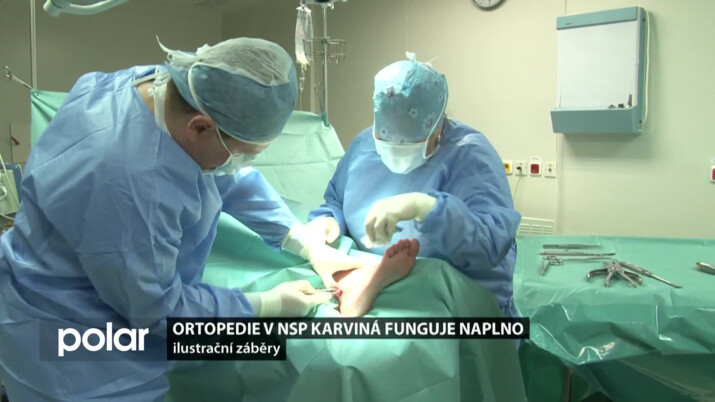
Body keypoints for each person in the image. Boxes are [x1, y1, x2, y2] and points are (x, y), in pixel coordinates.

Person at [0, 38, 335, 401]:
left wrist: (299, 239)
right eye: (244, 153)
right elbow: (160, 310)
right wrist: (267, 304)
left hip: (46, 285)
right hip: (73, 354)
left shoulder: (162, 88)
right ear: (200, 127)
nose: (241, 163)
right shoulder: (128, 184)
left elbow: (224, 174)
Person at [306, 52, 521, 317]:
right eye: (386, 141)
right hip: (372, 266)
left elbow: (490, 244)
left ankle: (374, 280)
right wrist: (328, 220)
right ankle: (369, 279)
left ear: (438, 127)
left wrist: (426, 208)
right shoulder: (364, 145)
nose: (396, 151)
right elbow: (337, 200)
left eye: (412, 143)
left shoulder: (470, 155)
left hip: (452, 291)